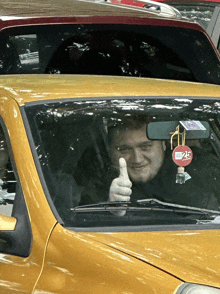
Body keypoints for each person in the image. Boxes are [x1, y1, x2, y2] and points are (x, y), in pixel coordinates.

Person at [107, 117, 220, 213]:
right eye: (124, 149)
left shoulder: (200, 166)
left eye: (145, 147)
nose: (137, 159)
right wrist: (112, 208)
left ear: (163, 145)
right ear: (110, 152)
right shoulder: (97, 179)